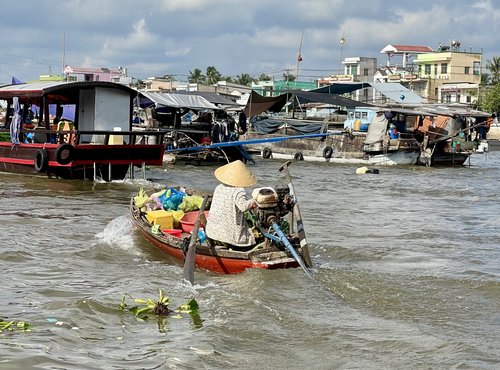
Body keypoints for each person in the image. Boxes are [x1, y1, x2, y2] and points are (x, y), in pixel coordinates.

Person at [205, 160, 257, 248]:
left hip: (212, 231)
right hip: (229, 236)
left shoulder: (219, 187)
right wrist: (255, 200)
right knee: (250, 239)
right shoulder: (238, 191)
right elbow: (243, 207)